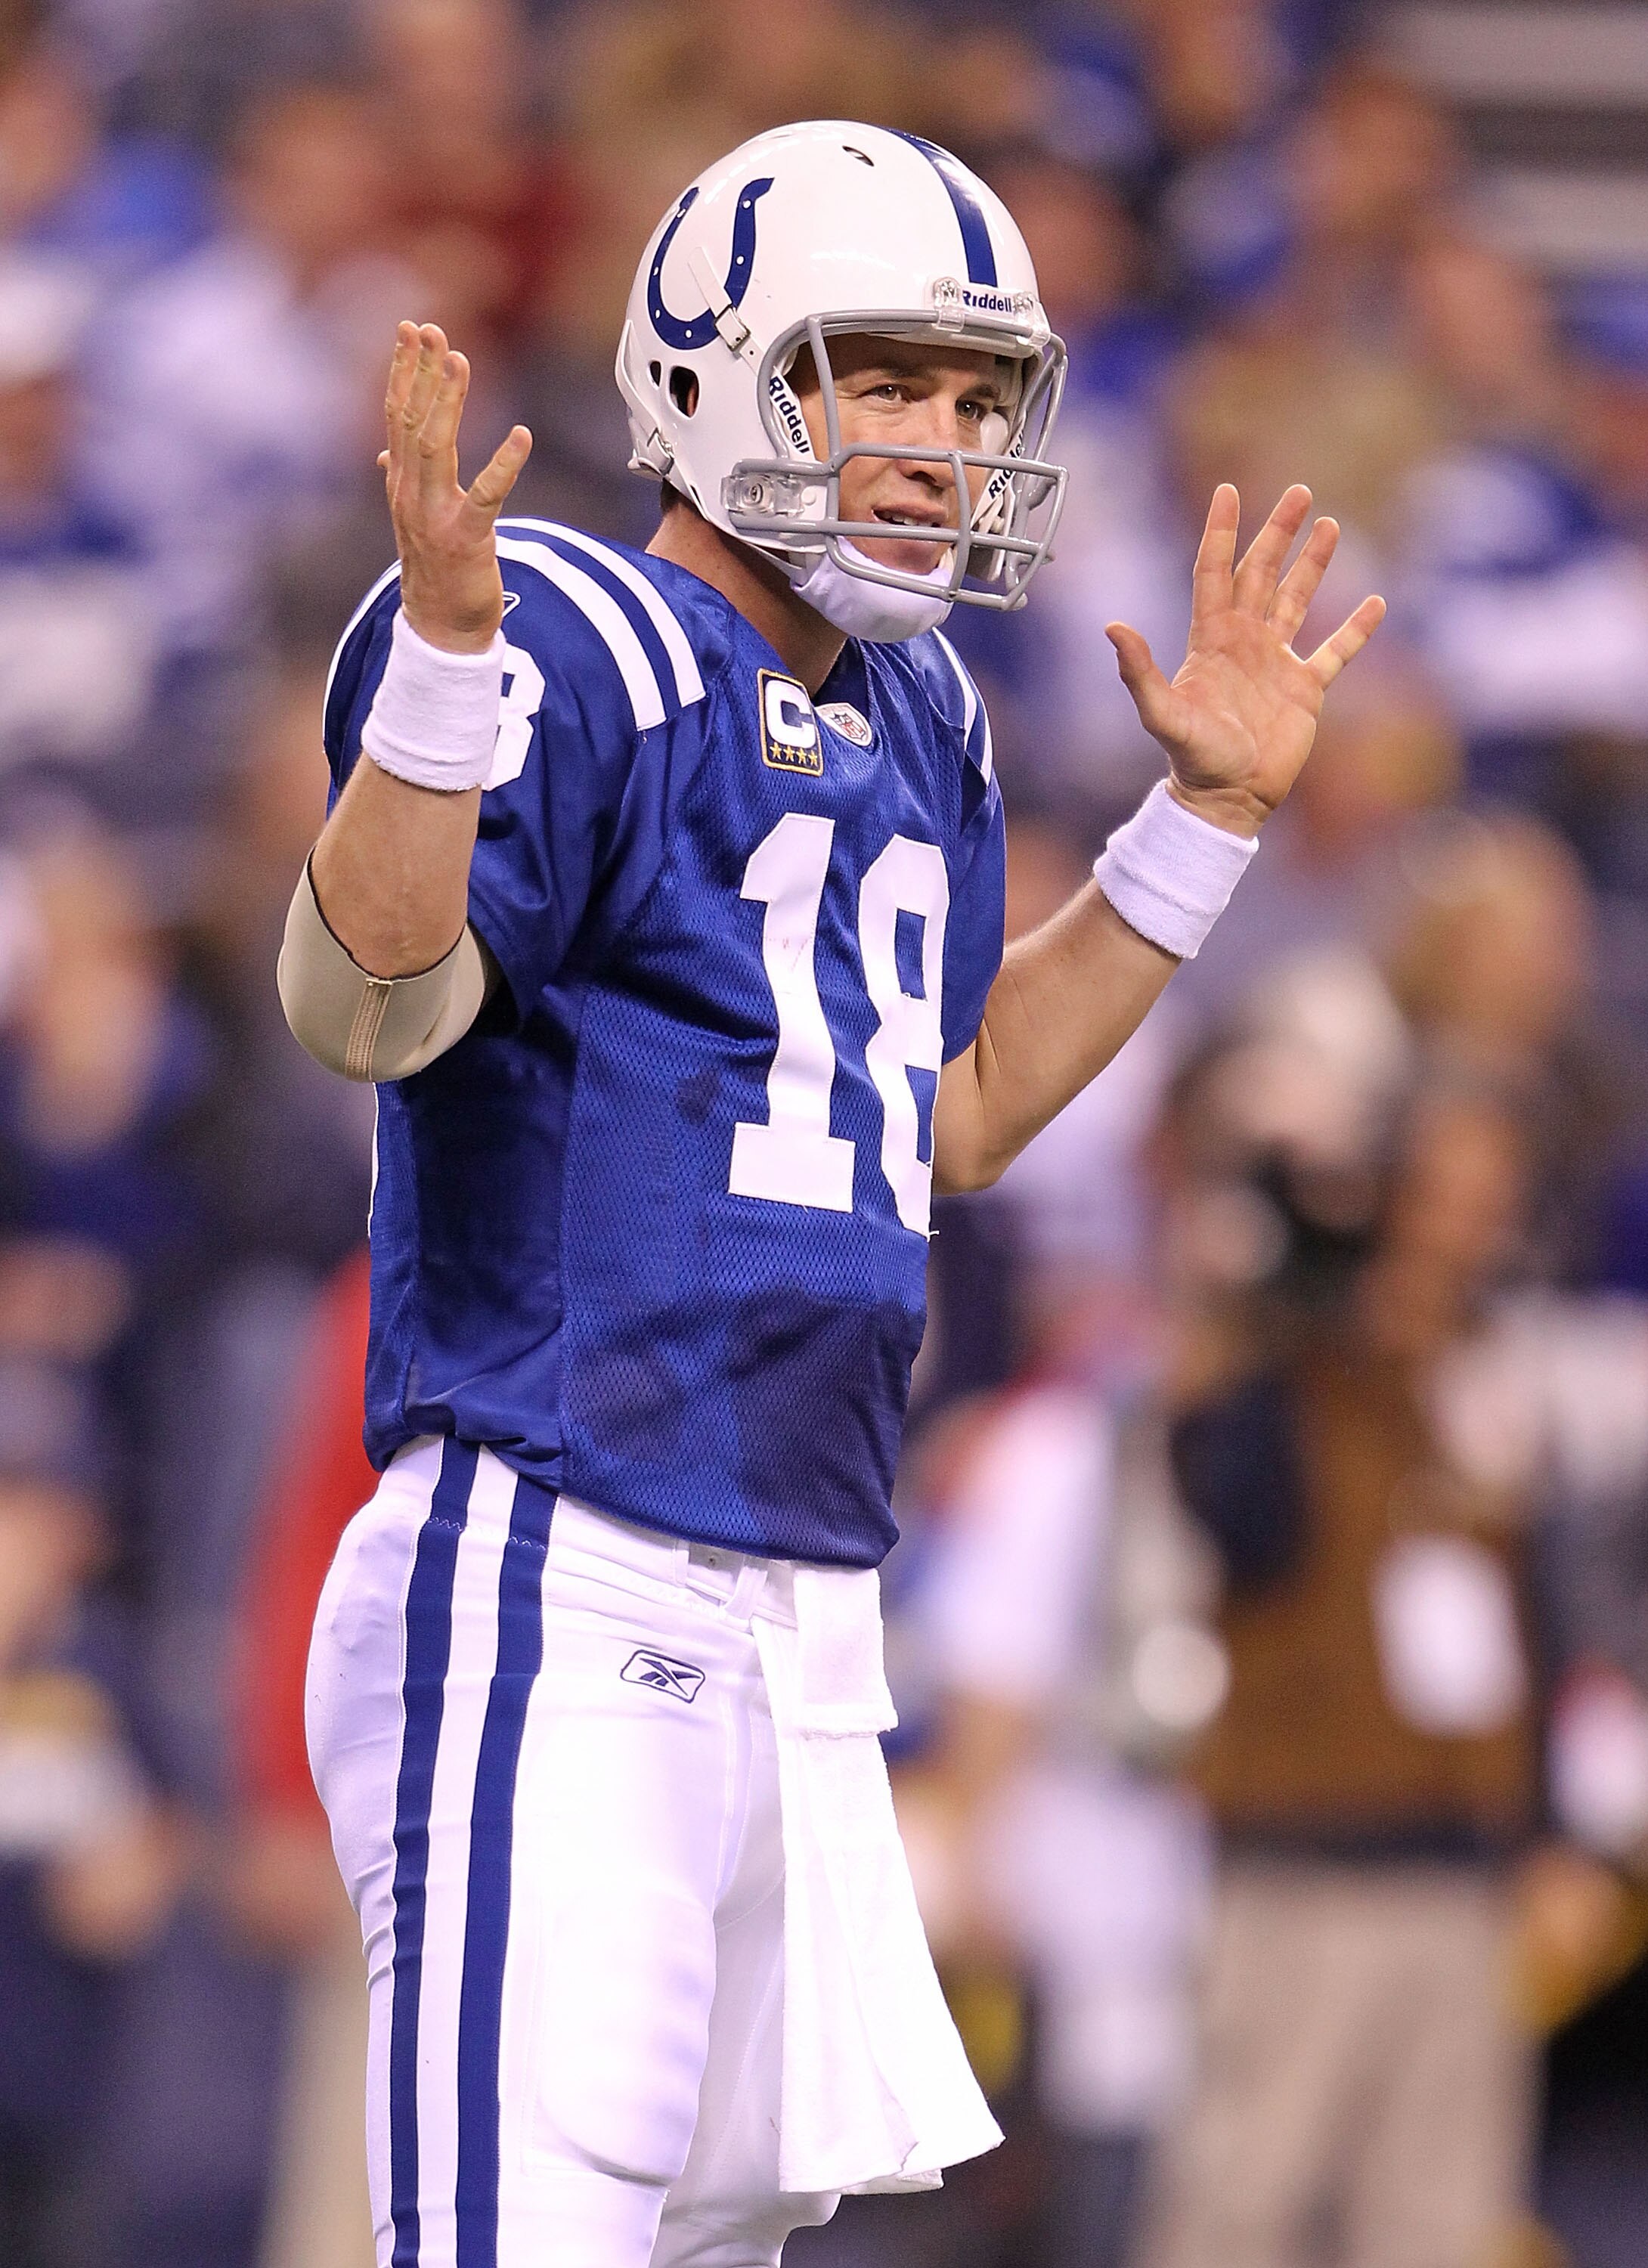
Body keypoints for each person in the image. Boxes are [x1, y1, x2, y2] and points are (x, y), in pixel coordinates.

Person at [280, 119, 1383, 2268]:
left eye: (973, 399)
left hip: (796, 1597)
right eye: (880, 379)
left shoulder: (923, 711)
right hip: (562, 1550)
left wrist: (1197, 826)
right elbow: (368, 1001)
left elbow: (942, 1114)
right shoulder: (565, 629)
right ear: (712, 366)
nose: (935, 443)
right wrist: (431, 680)